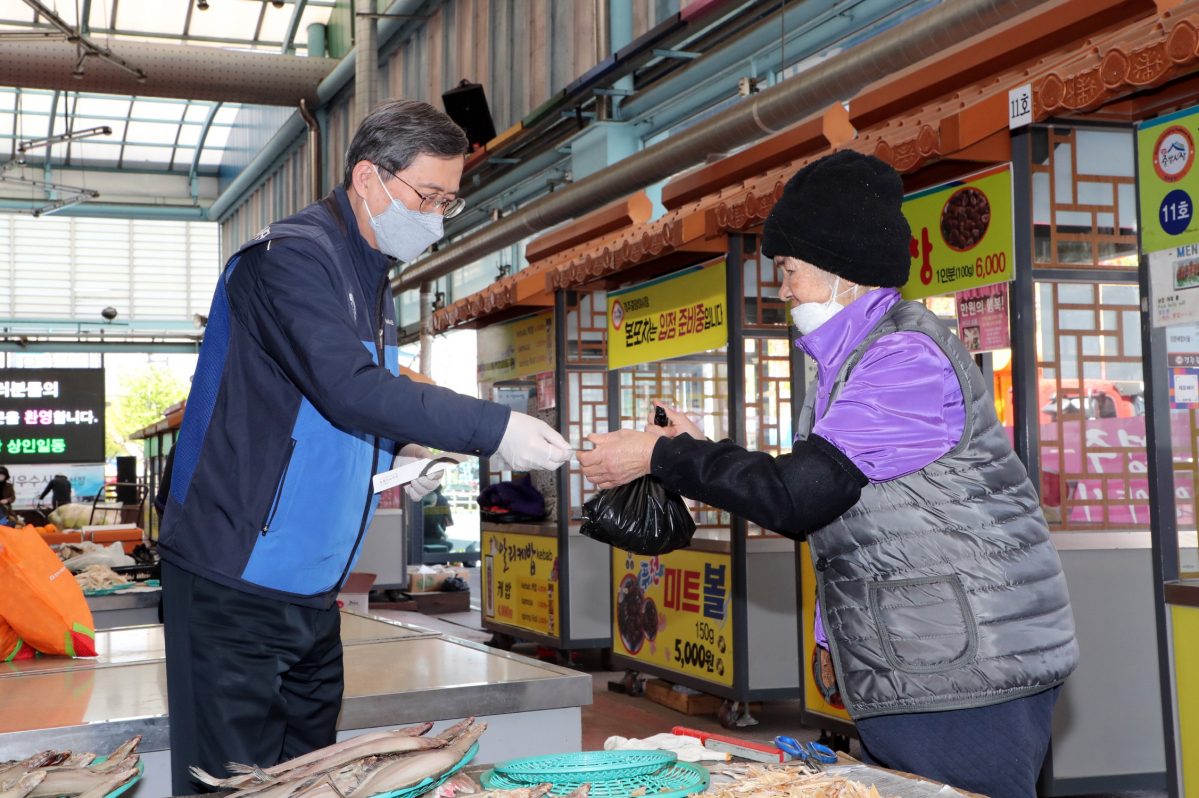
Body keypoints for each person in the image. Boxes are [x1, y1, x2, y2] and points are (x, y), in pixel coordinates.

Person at [579, 151, 1077, 798]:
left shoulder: (906, 358)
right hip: (920, 654)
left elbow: (800, 495)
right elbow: (843, 505)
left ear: (839, 268)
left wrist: (659, 458)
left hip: (968, 662)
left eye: (787, 270)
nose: (781, 289)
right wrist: (833, 637)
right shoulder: (849, 362)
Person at [158, 99, 572, 795]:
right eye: (428, 196)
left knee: (311, 780)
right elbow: (345, 387)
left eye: (449, 200)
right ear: (368, 178)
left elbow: (318, 413)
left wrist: (400, 454)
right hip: (235, 579)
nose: (437, 217)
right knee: (233, 784)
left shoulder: (368, 272)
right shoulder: (286, 261)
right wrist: (494, 430)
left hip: (311, 588)